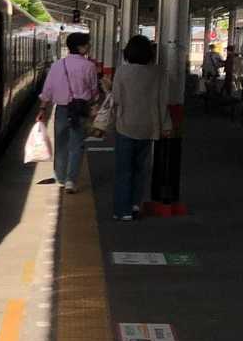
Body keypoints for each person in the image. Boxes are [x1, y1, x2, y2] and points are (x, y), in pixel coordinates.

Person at [110, 35, 165, 221]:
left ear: (128, 52)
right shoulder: (157, 72)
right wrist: (165, 125)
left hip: (125, 126)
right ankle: (135, 204)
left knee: (124, 170)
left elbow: (116, 99)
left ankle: (123, 211)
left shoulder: (122, 71)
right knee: (140, 169)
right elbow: (162, 101)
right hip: (148, 127)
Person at [37, 31, 99, 192]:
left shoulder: (57, 65)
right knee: (77, 144)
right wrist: (93, 104)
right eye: (87, 44)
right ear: (80, 47)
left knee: (61, 143)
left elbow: (47, 89)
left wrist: (43, 108)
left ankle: (60, 177)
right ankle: (71, 180)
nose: (89, 46)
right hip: (80, 109)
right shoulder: (89, 66)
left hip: (62, 110)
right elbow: (94, 90)